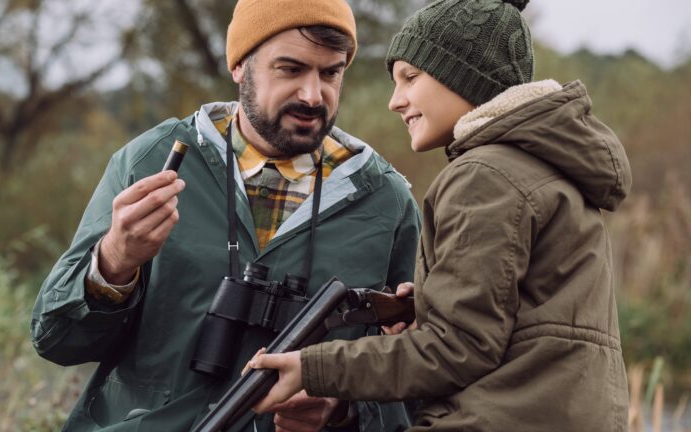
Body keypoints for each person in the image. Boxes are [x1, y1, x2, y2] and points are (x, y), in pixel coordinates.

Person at [30, 0, 421, 430]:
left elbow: (421, 380)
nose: (313, 95)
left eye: (330, 73)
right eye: (290, 69)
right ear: (239, 66)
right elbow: (56, 341)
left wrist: (343, 410)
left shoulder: (386, 201)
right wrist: (115, 263)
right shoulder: (151, 162)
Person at [248, 0, 633, 430]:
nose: (396, 101)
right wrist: (430, 303)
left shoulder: (483, 176)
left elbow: (458, 348)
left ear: (465, 77)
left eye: (411, 78)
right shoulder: (549, 167)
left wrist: (313, 368)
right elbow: (522, 319)